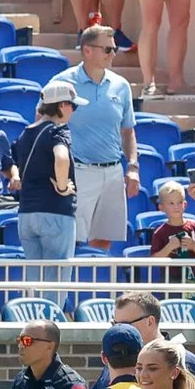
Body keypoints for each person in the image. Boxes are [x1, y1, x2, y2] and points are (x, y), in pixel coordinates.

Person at [52, 27, 140, 254]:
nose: (113, 54)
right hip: (78, 170)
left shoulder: (121, 86)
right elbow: (45, 125)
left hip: (112, 171)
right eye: (108, 49)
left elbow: (128, 131)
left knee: (104, 239)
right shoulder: (62, 82)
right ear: (87, 51)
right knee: (74, 239)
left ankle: (94, 286)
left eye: (115, 49)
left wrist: (132, 166)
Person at [10, 82, 80, 260]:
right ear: (62, 106)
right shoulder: (58, 130)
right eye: (73, 105)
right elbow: (62, 157)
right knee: (55, 283)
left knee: (36, 281)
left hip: (27, 214)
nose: (74, 111)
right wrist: (63, 187)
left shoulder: (24, 133)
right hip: (55, 213)